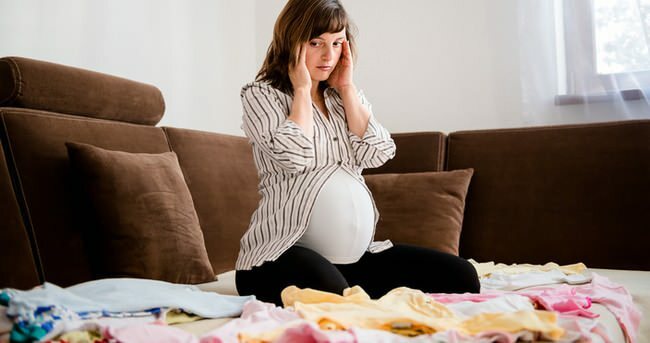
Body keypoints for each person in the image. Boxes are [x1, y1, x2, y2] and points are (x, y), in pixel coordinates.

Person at [236, 0, 480, 306]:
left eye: (337, 43)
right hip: (277, 255)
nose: (328, 55)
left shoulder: (343, 98)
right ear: (292, 42)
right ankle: (344, 290)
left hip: (354, 259)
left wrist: (347, 88)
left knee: (462, 277)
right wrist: (301, 90)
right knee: (335, 295)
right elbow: (295, 156)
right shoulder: (262, 95)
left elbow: (379, 152)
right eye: (316, 43)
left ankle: (353, 288)